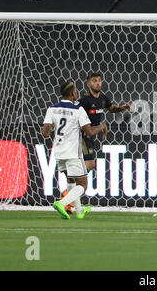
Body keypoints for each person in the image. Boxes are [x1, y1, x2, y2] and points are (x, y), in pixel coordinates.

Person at [61, 73, 130, 214]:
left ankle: (69, 197)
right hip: (82, 136)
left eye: (99, 81)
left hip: (91, 136)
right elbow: (74, 111)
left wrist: (123, 107)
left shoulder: (103, 99)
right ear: (88, 84)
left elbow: (112, 108)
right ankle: (66, 197)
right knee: (89, 166)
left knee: (81, 171)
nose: (98, 83)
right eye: (94, 81)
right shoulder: (85, 100)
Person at [42, 82, 107, 219]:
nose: (77, 93)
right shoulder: (78, 110)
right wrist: (102, 127)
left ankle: (79, 212)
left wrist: (54, 125)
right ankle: (62, 203)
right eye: (76, 91)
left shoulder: (52, 109)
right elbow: (89, 132)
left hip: (59, 153)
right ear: (73, 94)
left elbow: (45, 133)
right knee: (83, 185)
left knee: (71, 180)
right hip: (73, 153)